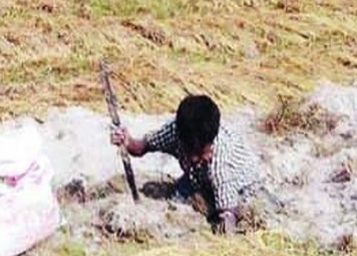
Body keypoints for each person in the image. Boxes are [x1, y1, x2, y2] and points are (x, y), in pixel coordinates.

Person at [111, 94, 261, 233]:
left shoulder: (220, 164)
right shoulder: (176, 131)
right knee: (177, 196)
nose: (195, 159)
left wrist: (223, 229)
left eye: (201, 153)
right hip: (196, 179)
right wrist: (126, 140)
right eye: (191, 152)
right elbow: (142, 147)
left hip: (242, 188)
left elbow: (229, 216)